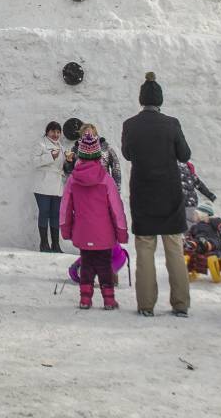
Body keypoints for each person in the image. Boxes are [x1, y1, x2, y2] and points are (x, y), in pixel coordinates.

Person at [121, 72, 193, 318]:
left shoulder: (130, 125)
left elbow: (128, 154)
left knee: (144, 249)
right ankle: (181, 303)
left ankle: (146, 304)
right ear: (160, 100)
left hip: (142, 192)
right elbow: (184, 154)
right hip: (169, 193)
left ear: (141, 100)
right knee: (174, 248)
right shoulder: (172, 124)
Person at [60, 130, 128, 310]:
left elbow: (65, 207)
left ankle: (85, 299)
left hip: (83, 232)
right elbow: (116, 209)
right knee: (105, 266)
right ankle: (109, 300)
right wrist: (121, 232)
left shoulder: (73, 179)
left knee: (87, 264)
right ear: (99, 155)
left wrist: (66, 230)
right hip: (104, 234)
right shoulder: (106, 180)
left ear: (80, 155)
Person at [34, 120, 66, 253]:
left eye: (58, 132)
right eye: (53, 131)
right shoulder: (41, 144)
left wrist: (68, 161)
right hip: (43, 184)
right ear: (47, 131)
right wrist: (50, 156)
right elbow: (34, 162)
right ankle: (44, 243)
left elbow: (62, 165)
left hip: (57, 184)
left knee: (55, 214)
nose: (56, 134)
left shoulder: (61, 146)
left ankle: (56, 244)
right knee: (44, 212)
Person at [64, 123, 121, 189]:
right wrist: (68, 162)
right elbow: (69, 171)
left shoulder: (105, 147)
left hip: (102, 187)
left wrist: (117, 189)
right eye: (85, 134)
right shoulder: (76, 149)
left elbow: (116, 168)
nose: (88, 136)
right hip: (82, 189)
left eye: (91, 133)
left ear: (95, 133)